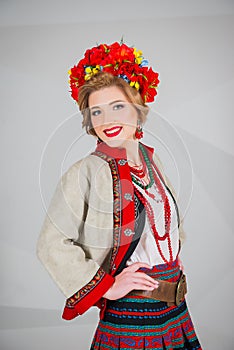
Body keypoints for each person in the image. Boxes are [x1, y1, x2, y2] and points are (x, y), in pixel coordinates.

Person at [37, 41, 202, 349]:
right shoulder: (84, 172)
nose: (106, 120)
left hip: (176, 311)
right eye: (96, 111)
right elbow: (51, 244)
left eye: (117, 107)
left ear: (138, 110)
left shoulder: (154, 161)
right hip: (131, 313)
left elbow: (169, 230)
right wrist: (106, 287)